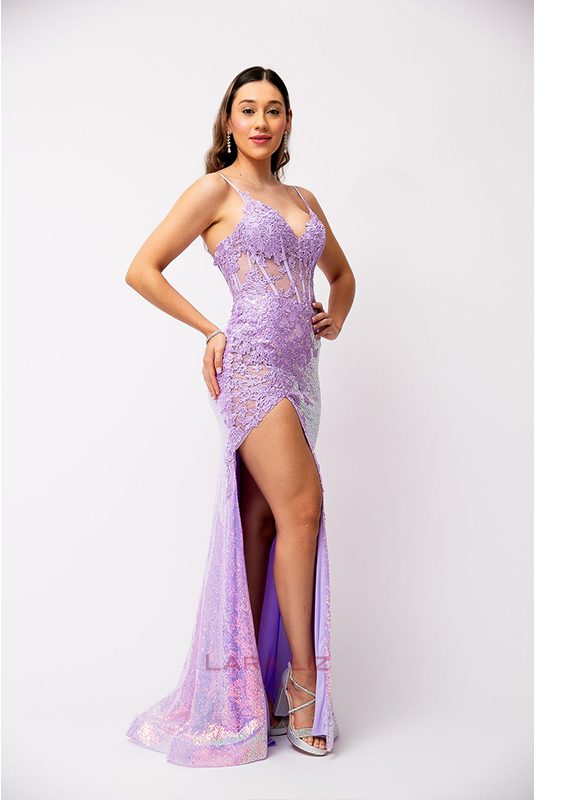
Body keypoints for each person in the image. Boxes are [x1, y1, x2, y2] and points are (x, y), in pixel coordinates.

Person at [124, 66, 356, 768]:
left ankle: (243, 690)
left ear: (287, 123)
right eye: (248, 109)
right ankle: (303, 686)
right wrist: (210, 330)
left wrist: (334, 316)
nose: (261, 121)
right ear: (229, 120)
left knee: (264, 523)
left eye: (273, 110)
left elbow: (342, 276)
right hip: (252, 366)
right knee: (303, 509)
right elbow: (142, 269)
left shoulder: (304, 199)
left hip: (303, 373)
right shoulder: (214, 191)